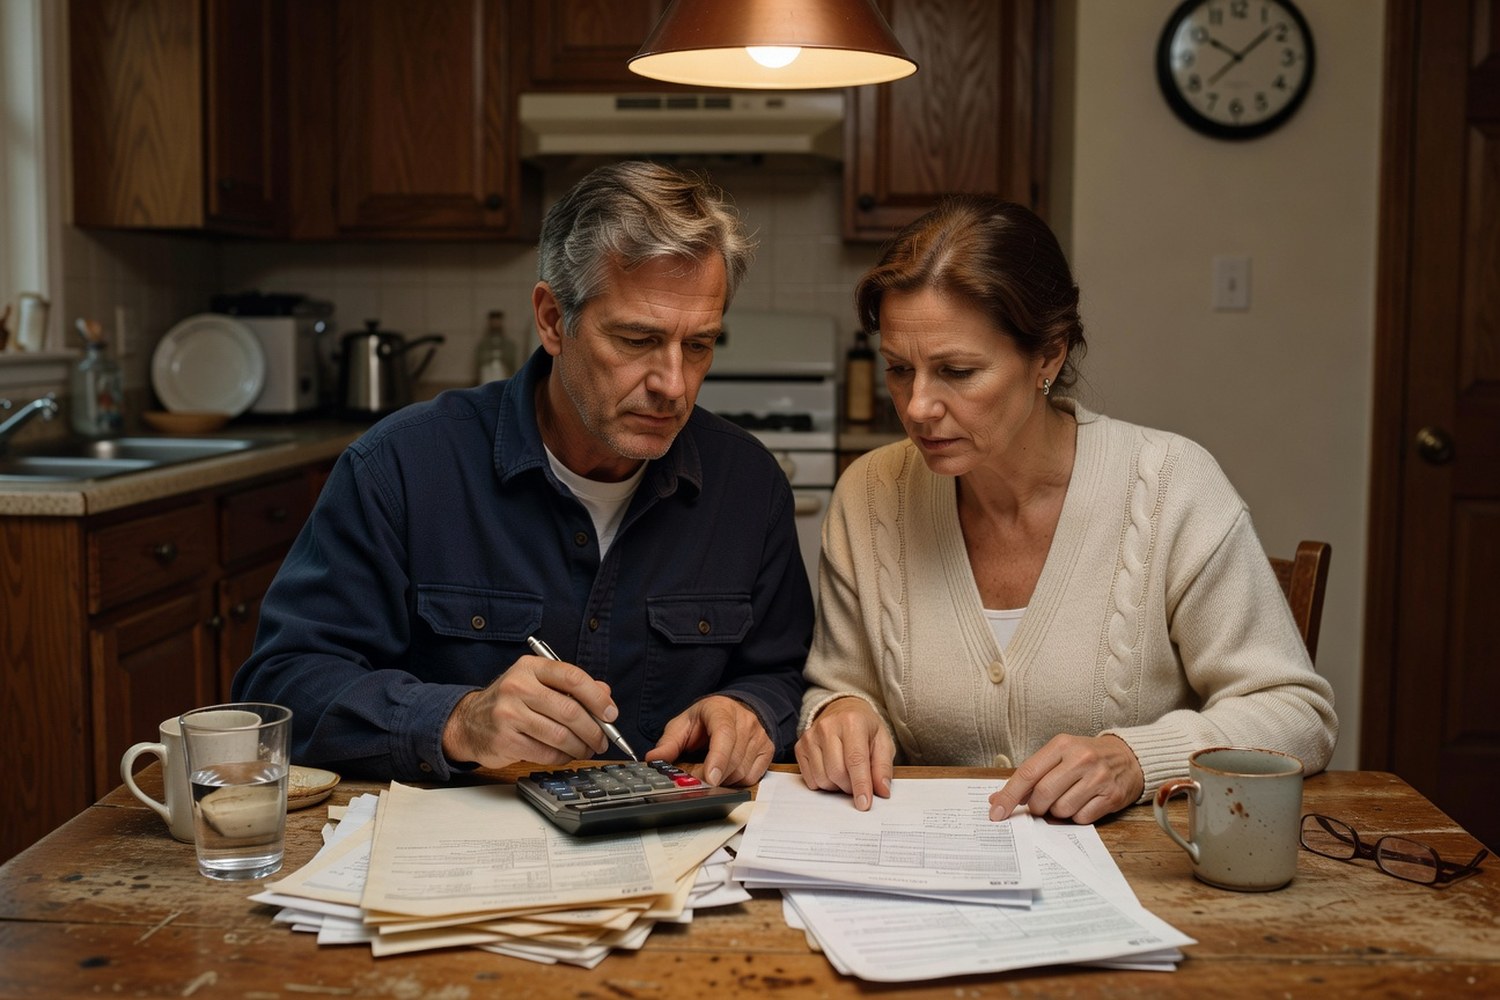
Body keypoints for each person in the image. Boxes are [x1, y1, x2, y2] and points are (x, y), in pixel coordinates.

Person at [235, 161, 813, 788]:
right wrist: (455, 720)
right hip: (468, 854)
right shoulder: (402, 468)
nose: (673, 385)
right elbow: (282, 688)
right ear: (551, 319)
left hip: (690, 853)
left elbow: (784, 674)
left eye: (698, 346)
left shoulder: (749, 485)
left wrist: (749, 710)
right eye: (636, 340)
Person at [795, 195, 1337, 824]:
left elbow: (1296, 711)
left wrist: (1136, 757)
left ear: (1048, 356)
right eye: (897, 369)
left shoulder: (1171, 487)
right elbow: (841, 684)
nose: (916, 406)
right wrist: (839, 714)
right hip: (927, 871)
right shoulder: (869, 495)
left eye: (957, 371)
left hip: (1143, 879)